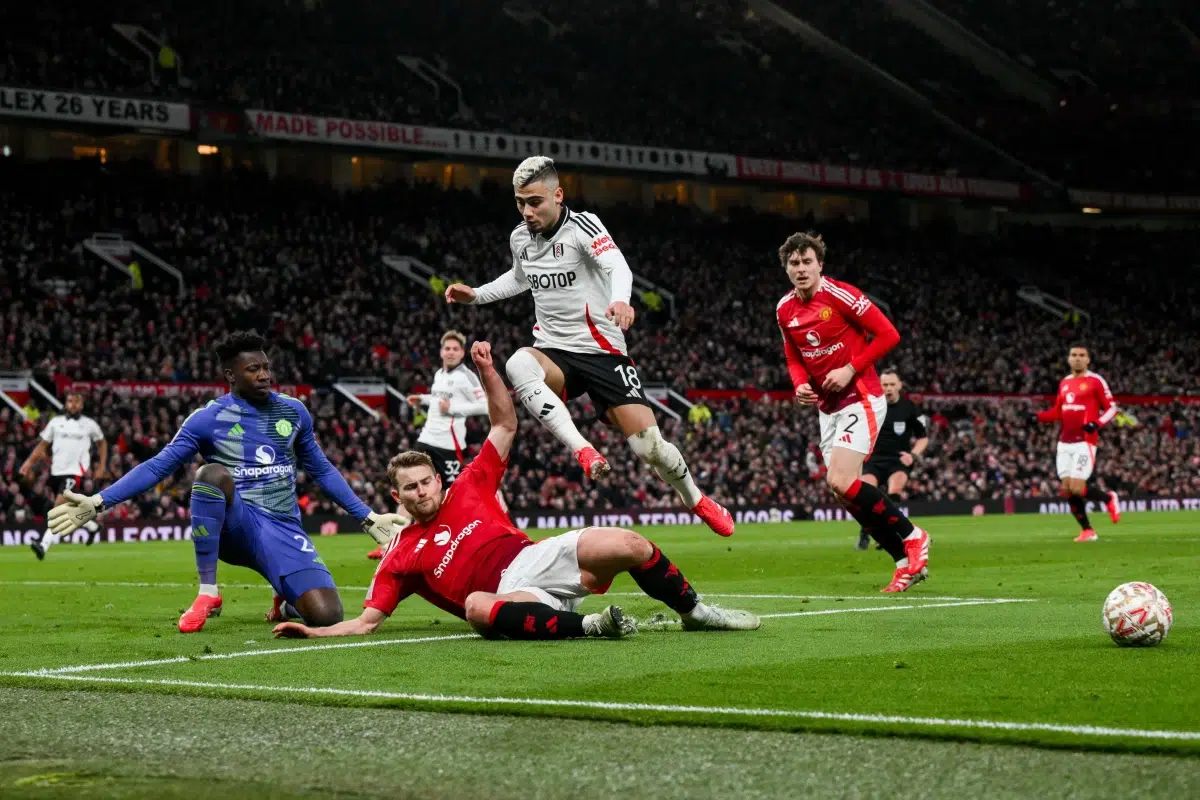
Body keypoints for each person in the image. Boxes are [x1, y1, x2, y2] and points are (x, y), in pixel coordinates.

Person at [273, 341, 760, 641]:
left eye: (425, 482)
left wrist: (487, 371)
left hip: (535, 558)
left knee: (629, 543)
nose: (421, 492)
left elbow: (505, 423)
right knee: (475, 609)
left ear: (437, 481)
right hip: (507, 595)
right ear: (397, 498)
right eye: (410, 489)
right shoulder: (399, 555)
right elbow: (365, 623)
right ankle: (592, 627)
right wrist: (312, 629)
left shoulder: (470, 485)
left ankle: (695, 612)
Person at [443, 156, 734, 538]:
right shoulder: (519, 238)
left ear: (558, 195)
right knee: (517, 363)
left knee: (650, 448)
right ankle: (584, 450)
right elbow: (519, 278)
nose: (527, 211)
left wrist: (622, 299)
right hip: (554, 349)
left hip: (602, 352)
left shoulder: (583, 226)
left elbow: (617, 265)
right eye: (520, 202)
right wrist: (477, 295)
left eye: (535, 202)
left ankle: (695, 498)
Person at [47, 330, 407, 632]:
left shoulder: (293, 411)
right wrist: (99, 502)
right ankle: (208, 590)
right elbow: (159, 466)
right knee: (211, 474)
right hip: (236, 527)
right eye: (254, 369)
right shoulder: (208, 418)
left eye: (266, 367)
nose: (265, 375)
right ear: (231, 376)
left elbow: (322, 469)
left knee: (328, 616)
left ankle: (285, 597)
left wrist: (367, 516)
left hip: (282, 528)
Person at [775, 232, 930, 593]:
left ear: (820, 265)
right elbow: (793, 355)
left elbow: (889, 334)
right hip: (827, 409)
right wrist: (799, 383)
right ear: (786, 268)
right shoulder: (784, 309)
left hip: (861, 397)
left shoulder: (841, 294)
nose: (801, 269)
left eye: (807, 262)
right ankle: (904, 563)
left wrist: (850, 368)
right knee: (843, 493)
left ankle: (914, 535)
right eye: (794, 263)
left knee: (840, 480)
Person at [1030, 345, 1120, 541]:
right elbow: (1057, 412)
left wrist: (1096, 424)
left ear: (1088, 360)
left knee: (1077, 487)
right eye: (1073, 355)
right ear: (1068, 359)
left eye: (1082, 355)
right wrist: (1037, 417)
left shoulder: (1095, 381)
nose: (1077, 358)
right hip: (1064, 442)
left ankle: (1108, 499)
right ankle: (1088, 531)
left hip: (1084, 442)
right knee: (1067, 489)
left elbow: (1112, 409)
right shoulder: (1064, 383)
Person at [19, 392, 108, 559]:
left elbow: (102, 443)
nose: (73, 405)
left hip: (75, 472)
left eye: (76, 401)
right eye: (70, 401)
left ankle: (43, 545)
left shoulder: (89, 424)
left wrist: (101, 466)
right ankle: (91, 527)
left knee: (58, 508)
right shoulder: (55, 423)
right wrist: (28, 463)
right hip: (56, 472)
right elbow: (42, 445)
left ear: (81, 405)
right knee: (66, 508)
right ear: (66, 404)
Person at [856, 370, 928, 551]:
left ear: (900, 385)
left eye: (892, 384)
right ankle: (866, 533)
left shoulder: (909, 408)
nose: (888, 388)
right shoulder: (870, 405)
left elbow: (923, 438)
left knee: (895, 489)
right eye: (885, 385)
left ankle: (888, 534)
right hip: (873, 460)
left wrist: (913, 455)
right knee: (867, 494)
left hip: (897, 460)